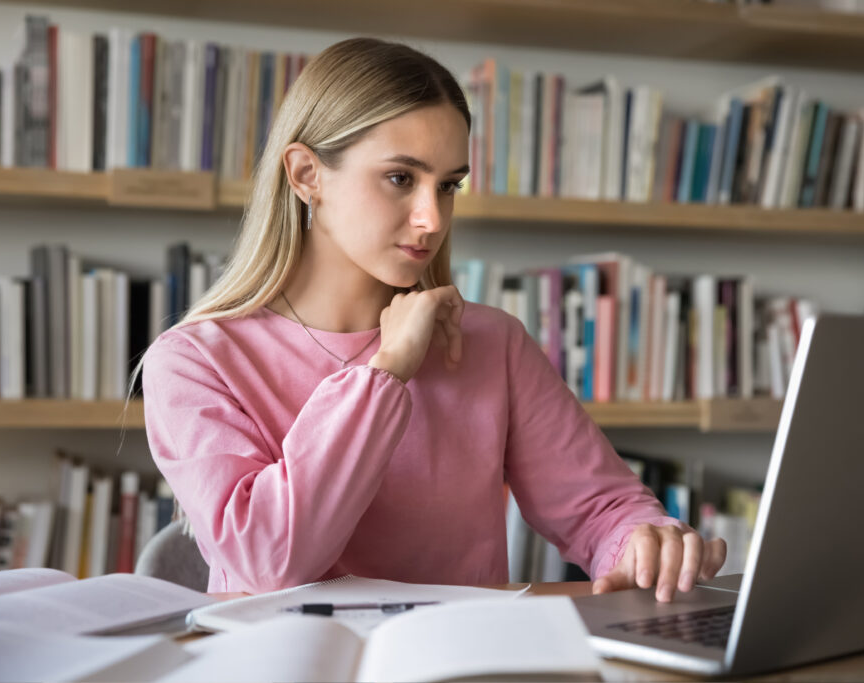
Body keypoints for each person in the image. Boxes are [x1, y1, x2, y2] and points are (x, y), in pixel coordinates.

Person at [140, 37, 726, 600]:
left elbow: (602, 510)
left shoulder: (491, 344)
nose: (431, 217)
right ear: (306, 175)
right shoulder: (193, 360)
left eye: (448, 186)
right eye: (401, 178)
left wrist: (647, 546)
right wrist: (385, 372)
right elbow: (267, 564)